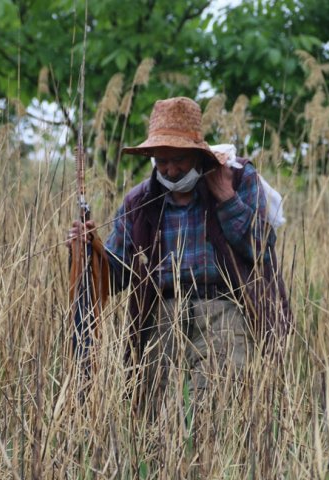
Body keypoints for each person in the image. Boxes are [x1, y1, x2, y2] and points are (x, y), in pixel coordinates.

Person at [68, 96, 292, 409]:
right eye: (162, 161)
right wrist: (89, 250)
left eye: (179, 160)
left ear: (197, 156)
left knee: (214, 412)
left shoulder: (239, 180)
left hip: (225, 313)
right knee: (161, 420)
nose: (171, 170)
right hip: (162, 318)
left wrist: (226, 199)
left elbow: (261, 249)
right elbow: (115, 277)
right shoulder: (139, 203)